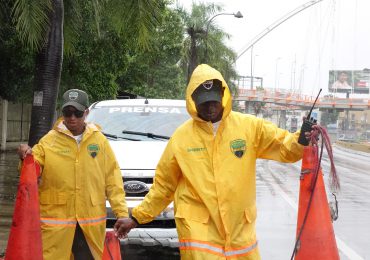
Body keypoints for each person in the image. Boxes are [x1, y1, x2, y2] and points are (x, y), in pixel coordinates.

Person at [115, 64, 313, 260]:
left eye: (213, 101)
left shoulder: (250, 128)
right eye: (203, 102)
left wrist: (301, 139)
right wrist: (136, 218)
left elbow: (284, 148)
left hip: (239, 233)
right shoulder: (182, 138)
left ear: (223, 96)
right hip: (199, 233)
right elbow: (163, 186)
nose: (209, 107)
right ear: (192, 101)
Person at [17, 89, 129, 259]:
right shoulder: (49, 141)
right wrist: (25, 157)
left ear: (86, 112)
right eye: (67, 113)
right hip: (56, 226)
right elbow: (32, 171)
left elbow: (113, 181)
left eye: (77, 113)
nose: (72, 118)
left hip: (89, 224)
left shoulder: (99, 142)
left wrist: (121, 213)